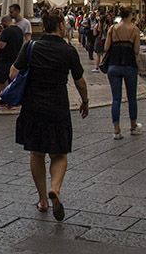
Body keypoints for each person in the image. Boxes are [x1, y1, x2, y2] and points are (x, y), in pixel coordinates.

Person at [11, 11, 89, 221]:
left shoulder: (31, 46)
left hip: (33, 105)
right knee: (59, 153)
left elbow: (12, 73)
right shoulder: (68, 50)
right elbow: (80, 81)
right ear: (61, 25)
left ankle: (43, 200)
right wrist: (85, 101)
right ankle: (55, 188)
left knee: (37, 153)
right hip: (58, 105)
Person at [103, 6, 142, 140]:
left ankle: (116, 130)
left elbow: (106, 47)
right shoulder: (135, 30)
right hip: (129, 65)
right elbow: (136, 50)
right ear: (130, 15)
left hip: (113, 65)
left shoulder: (112, 29)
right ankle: (133, 126)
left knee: (116, 99)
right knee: (132, 98)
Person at [0, 15, 24, 109]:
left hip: (5, 60)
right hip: (15, 60)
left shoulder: (7, 31)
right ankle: (8, 100)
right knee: (8, 81)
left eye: (1, 23)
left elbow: (1, 45)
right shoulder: (19, 30)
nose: (1, 25)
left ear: (5, 22)